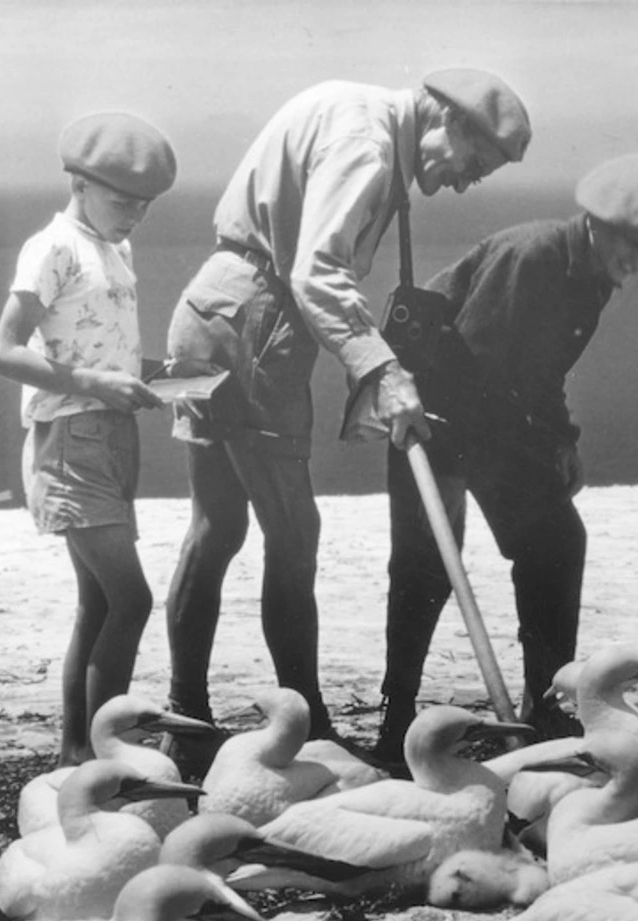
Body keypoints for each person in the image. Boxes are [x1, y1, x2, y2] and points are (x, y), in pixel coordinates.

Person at [162, 68, 532, 776]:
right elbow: (315, 273)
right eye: (473, 164)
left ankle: (187, 724)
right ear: (446, 122)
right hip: (256, 322)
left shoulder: (354, 107)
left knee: (215, 527)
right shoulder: (367, 145)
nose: (463, 182)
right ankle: (307, 728)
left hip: (205, 310)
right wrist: (385, 372)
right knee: (295, 534)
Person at [373, 153, 638, 762]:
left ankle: (545, 705)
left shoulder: (591, 271)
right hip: (430, 414)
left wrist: (559, 442)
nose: (637, 260)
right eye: (630, 242)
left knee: (556, 542)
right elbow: (478, 369)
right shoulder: (537, 257)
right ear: (595, 223)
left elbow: (538, 374)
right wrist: (535, 451)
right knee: (425, 567)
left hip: (491, 420)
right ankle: (396, 719)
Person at [0, 112, 177, 764]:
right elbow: (5, 353)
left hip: (109, 433)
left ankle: (78, 750)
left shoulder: (112, 248)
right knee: (132, 597)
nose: (134, 215)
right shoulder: (54, 248)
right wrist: (99, 384)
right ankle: (103, 753)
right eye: (123, 200)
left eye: (145, 205)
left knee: (99, 602)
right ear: (78, 181)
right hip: (71, 438)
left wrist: (155, 375)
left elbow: (97, 340)